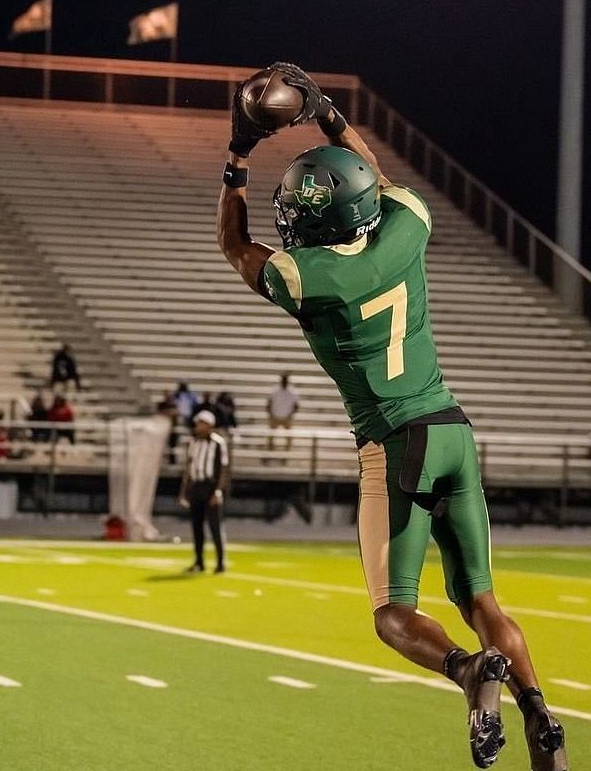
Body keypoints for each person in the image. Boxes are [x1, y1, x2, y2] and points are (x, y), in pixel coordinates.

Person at [216, 61, 567, 770]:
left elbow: (233, 244)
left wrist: (237, 154)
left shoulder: (305, 276)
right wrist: (328, 114)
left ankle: (470, 673)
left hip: (393, 444)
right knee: (483, 600)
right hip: (453, 430)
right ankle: (543, 719)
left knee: (392, 615)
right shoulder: (407, 225)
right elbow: (374, 179)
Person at [177, 409, 229, 574]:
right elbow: (189, 468)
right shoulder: (193, 442)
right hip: (196, 487)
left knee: (215, 527)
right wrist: (184, 491)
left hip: (210, 487)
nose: (198, 426)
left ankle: (220, 563)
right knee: (196, 527)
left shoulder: (218, 443)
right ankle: (199, 561)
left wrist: (218, 491)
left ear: (209, 425)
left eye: (201, 423)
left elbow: (224, 470)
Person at [266, 372, 300, 452]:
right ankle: (270, 450)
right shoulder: (275, 390)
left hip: (287, 417)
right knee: (270, 435)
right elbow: (269, 403)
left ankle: (288, 451)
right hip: (275, 416)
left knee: (289, 436)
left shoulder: (292, 392)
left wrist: (291, 415)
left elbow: (296, 405)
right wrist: (271, 414)